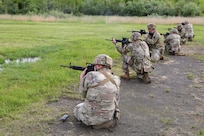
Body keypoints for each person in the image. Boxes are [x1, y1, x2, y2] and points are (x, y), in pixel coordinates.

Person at [74, 54, 121, 129]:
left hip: (90, 119)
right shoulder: (116, 79)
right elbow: (116, 99)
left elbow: (83, 94)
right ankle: (105, 121)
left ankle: (94, 122)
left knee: (78, 107)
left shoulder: (91, 75)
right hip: (109, 116)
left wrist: (82, 79)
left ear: (99, 65)